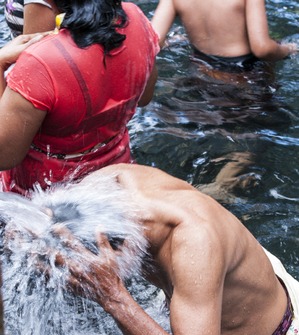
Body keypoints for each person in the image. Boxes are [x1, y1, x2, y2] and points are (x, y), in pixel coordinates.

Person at [48, 163, 299, 335]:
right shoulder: (113, 180)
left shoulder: (194, 245)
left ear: (123, 249)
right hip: (231, 276)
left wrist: (112, 296)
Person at [0, 0, 159, 195]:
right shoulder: (135, 17)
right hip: (117, 180)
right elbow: (145, 97)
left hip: (45, 202)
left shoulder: (41, 61)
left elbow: (4, 155)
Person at [151, 0, 298, 70]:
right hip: (246, 77)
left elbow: (151, 42)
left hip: (201, 72)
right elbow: (262, 49)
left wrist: (179, 41)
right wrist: (287, 50)